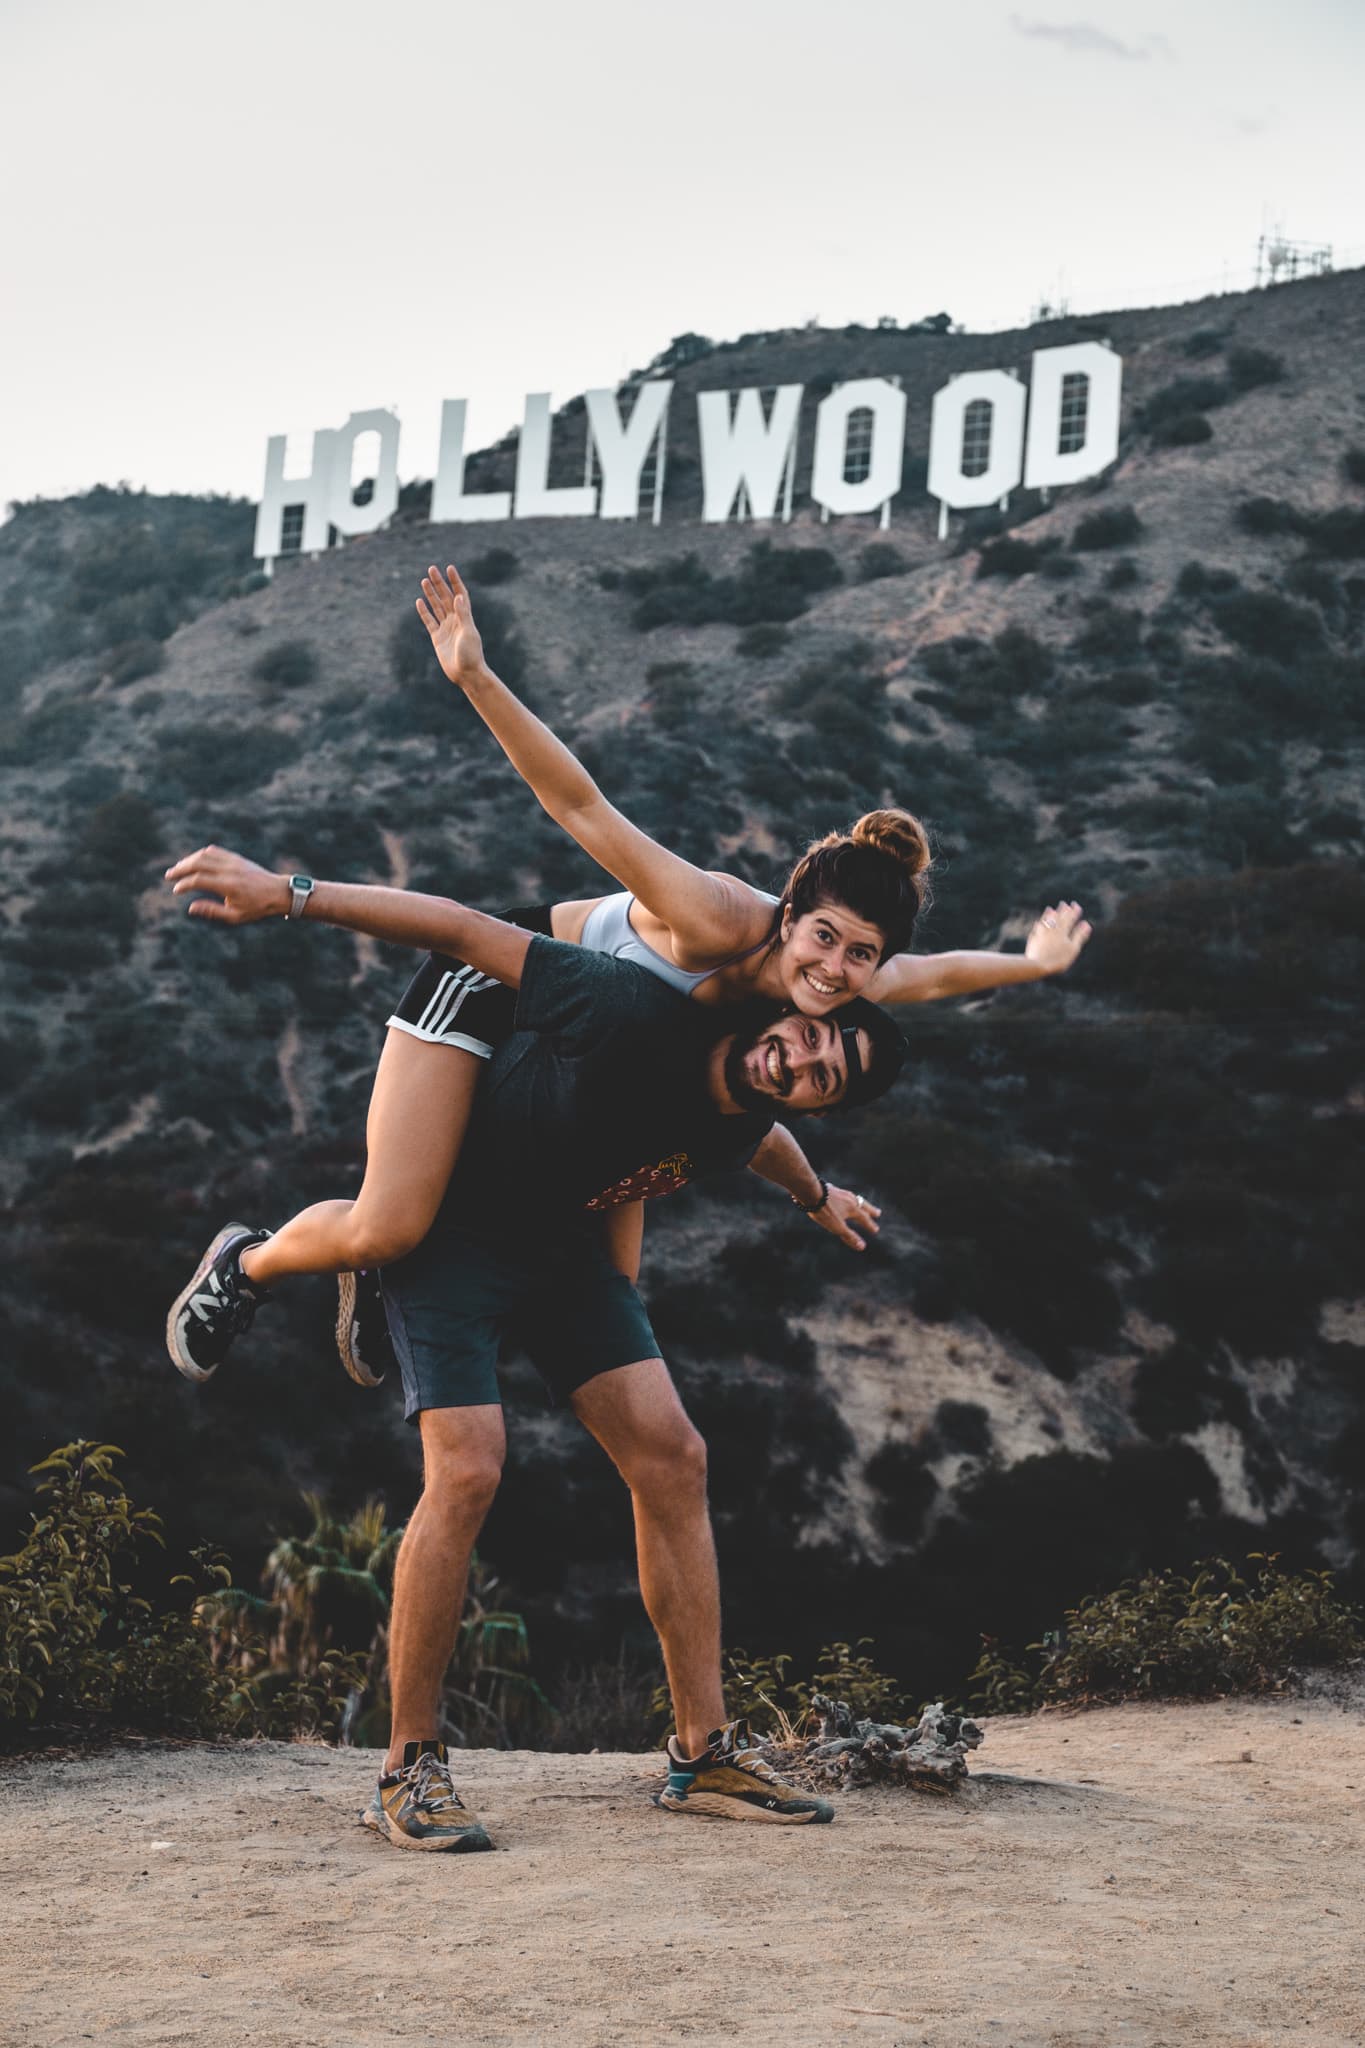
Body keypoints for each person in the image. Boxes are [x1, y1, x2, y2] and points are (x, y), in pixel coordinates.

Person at [162, 564, 1090, 1382]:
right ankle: (244, 1266)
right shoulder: (714, 918)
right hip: (497, 989)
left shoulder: (840, 989)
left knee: (612, 1287)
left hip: (589, 1047)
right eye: (825, 940)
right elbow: (578, 804)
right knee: (389, 1225)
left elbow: (932, 978)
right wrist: (473, 681)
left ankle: (413, 1284)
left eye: (862, 957)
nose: (837, 969)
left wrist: (1032, 964)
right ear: (790, 915)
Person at [166, 872, 906, 1846]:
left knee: (673, 1456)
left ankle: (703, 1751)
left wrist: (820, 1198)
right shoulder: (632, 1008)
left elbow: (759, 1143)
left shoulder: (745, 1113)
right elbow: (468, 927)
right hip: (456, 1234)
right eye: (810, 1037)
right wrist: (291, 895)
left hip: (562, 1250)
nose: (801, 1058)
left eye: (825, 1074)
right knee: (466, 1458)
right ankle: (408, 1768)